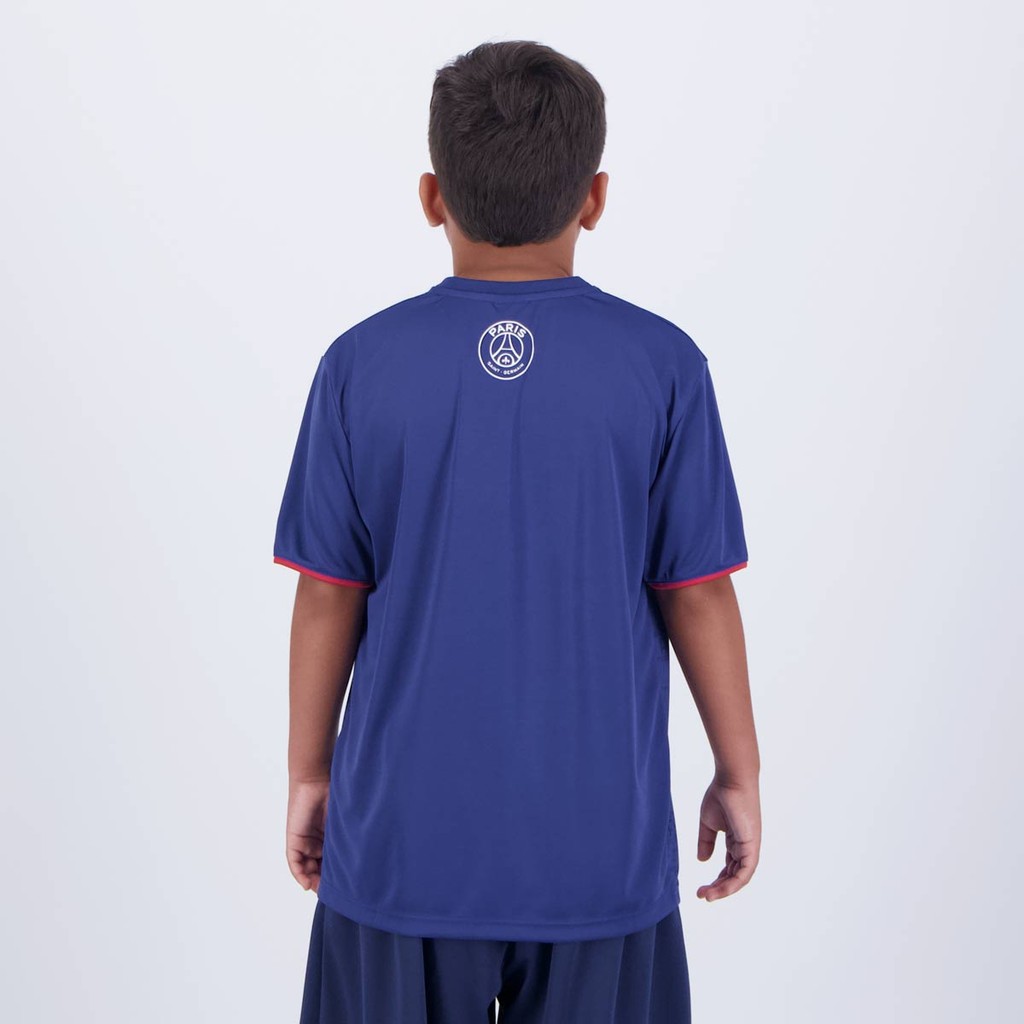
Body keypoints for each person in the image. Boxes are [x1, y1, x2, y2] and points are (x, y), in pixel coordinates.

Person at [273, 38, 762, 1024]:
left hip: (401, 845)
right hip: (598, 853)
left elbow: (327, 591)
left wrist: (311, 773)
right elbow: (698, 590)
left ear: (431, 197)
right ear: (595, 197)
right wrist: (738, 772)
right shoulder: (662, 366)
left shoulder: (360, 366)